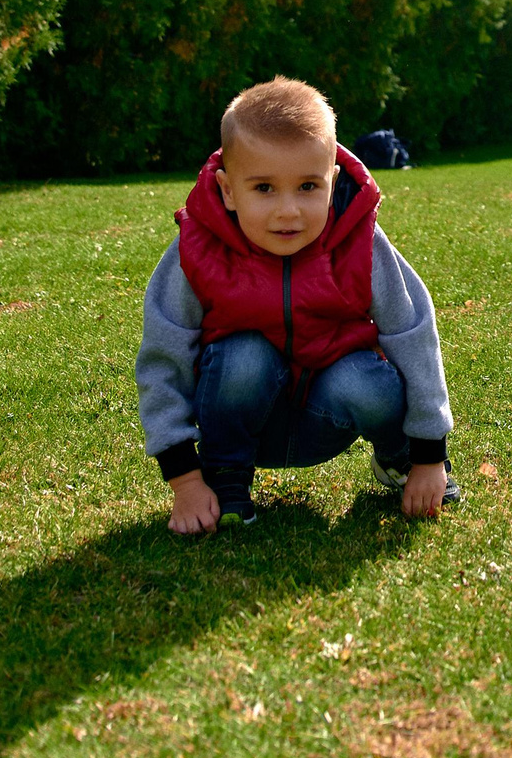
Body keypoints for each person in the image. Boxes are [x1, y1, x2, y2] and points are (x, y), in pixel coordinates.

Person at [136, 77, 458, 532]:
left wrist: (429, 453)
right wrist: (185, 480)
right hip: (241, 423)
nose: (289, 210)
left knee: (365, 379)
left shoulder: (358, 238)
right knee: (243, 354)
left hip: (327, 416)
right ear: (228, 190)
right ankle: (225, 477)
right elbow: (163, 359)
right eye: (264, 188)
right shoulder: (198, 247)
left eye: (308, 186)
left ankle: (399, 461)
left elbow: (413, 333)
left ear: (333, 180)